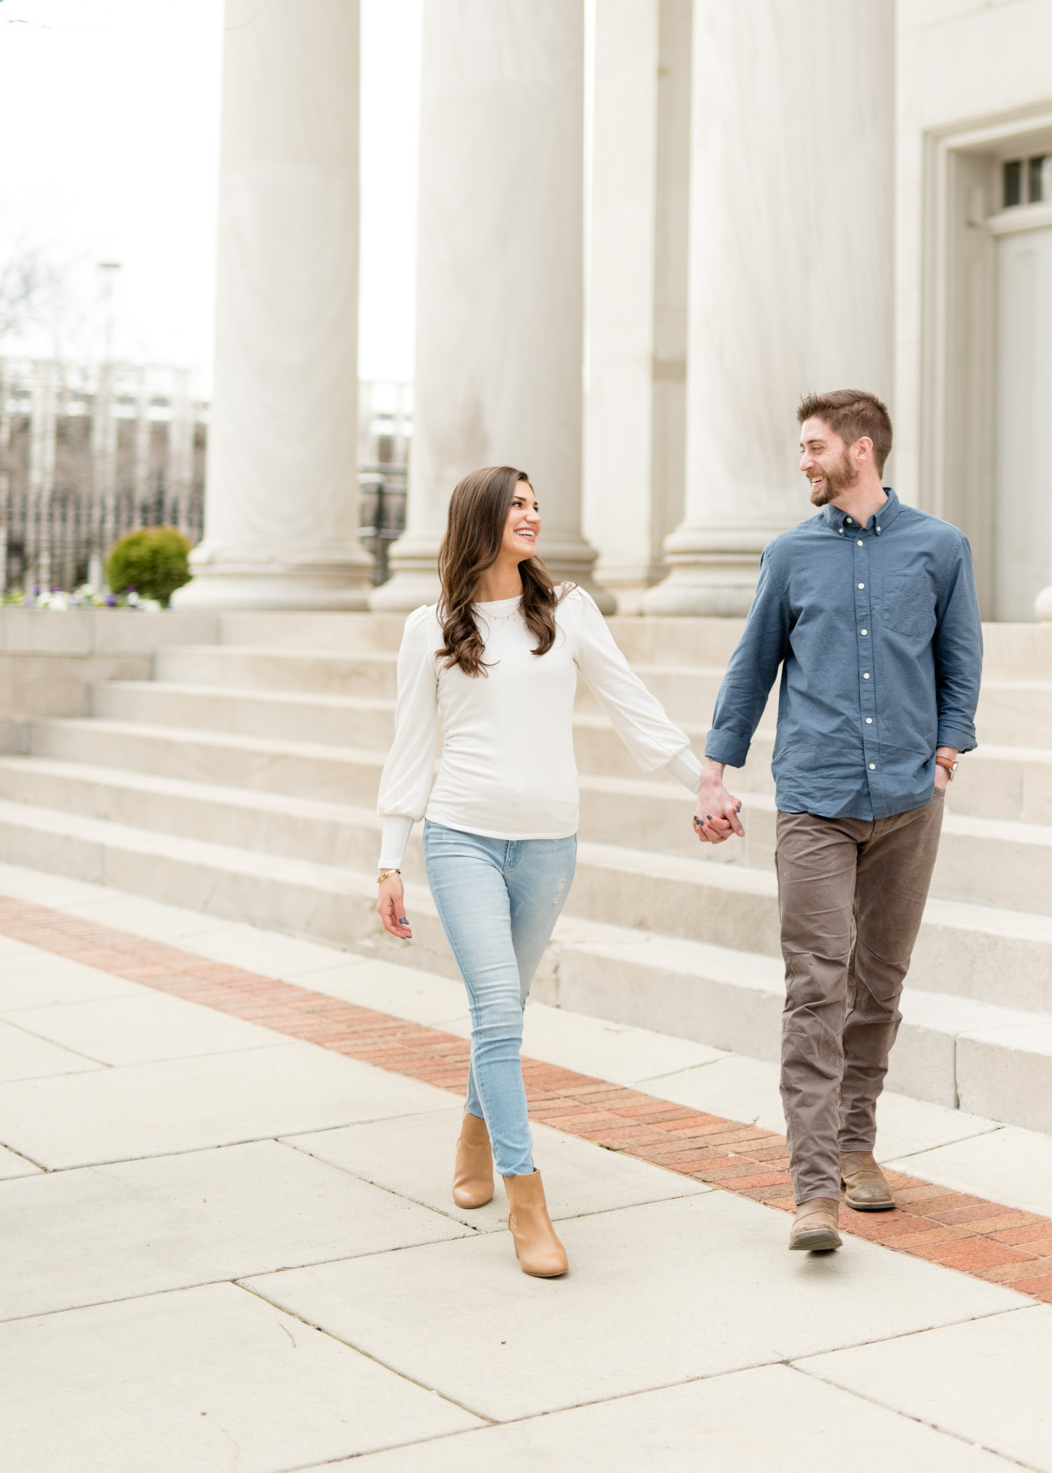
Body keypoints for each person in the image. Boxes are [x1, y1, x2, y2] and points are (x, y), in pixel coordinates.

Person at [374, 464, 702, 1279]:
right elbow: (410, 745)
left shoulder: (568, 612)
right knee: (495, 1010)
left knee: (506, 1008)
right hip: (461, 839)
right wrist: (389, 856)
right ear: (480, 518)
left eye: (534, 503)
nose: (533, 515)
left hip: (550, 843)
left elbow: (633, 704)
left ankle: (474, 1130)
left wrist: (702, 783)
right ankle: (528, 1202)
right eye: (516, 504)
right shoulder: (431, 627)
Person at [692, 389, 982, 1255]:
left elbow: (959, 659)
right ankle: (813, 1190)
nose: (804, 459)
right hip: (815, 801)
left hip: (905, 803)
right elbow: (751, 668)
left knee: (878, 985)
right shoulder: (789, 555)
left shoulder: (940, 548)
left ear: (861, 449)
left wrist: (946, 747)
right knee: (815, 989)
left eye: (814, 445)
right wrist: (714, 769)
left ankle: (857, 1145)